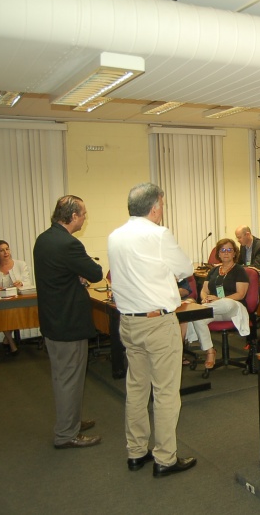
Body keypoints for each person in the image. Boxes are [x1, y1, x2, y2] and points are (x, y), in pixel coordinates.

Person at [108, 182, 197, 477]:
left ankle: (136, 452)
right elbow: (185, 269)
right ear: (155, 206)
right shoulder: (159, 234)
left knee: (136, 388)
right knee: (166, 392)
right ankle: (165, 458)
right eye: (162, 204)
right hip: (158, 323)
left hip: (129, 322)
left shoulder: (114, 236)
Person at [33, 195, 103, 449]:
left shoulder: (44, 239)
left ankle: (71, 421)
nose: (85, 218)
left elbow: (58, 274)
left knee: (63, 376)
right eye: (83, 214)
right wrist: (82, 275)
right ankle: (66, 434)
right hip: (68, 323)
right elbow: (95, 274)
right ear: (73, 216)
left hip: (53, 320)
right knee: (69, 379)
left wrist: (75, 276)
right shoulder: (68, 244)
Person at [184, 237, 251, 368]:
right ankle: (210, 351)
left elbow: (240, 294)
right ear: (218, 254)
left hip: (233, 307)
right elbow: (204, 290)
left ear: (234, 253)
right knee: (199, 318)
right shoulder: (214, 271)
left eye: (229, 250)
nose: (226, 252)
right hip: (214, 308)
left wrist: (219, 299)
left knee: (225, 304)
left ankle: (202, 308)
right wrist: (204, 298)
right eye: (223, 250)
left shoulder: (239, 270)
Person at [0, 240, 33, 354]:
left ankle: (7, 339)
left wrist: (21, 283)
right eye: (2, 250)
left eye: (7, 249)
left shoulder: (20, 264)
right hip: (1, 302)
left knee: (10, 315)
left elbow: (28, 283)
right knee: (4, 315)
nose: (6, 252)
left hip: (18, 299)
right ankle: (11, 343)